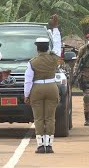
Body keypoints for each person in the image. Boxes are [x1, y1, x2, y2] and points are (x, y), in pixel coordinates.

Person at [24, 14, 61, 154]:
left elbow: (28, 81)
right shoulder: (54, 58)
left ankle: (40, 145)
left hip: (37, 88)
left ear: (37, 48)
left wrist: (26, 95)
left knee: (38, 118)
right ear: (47, 47)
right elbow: (57, 44)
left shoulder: (32, 62)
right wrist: (55, 28)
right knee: (50, 117)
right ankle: (49, 145)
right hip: (52, 87)